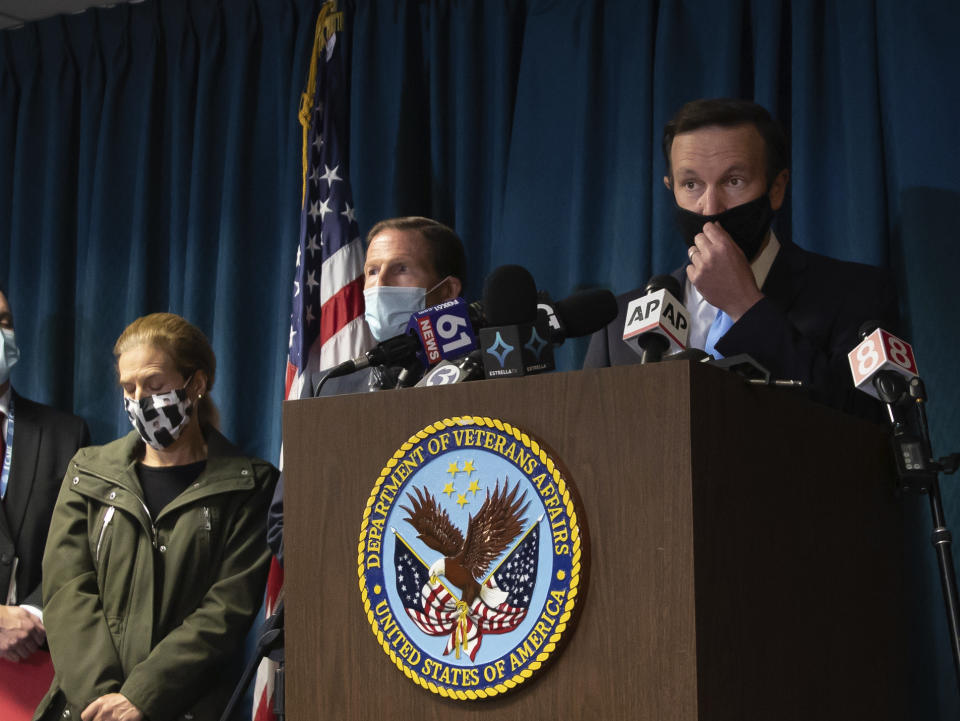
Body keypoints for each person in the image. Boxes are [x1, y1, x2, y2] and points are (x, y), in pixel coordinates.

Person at [584, 98, 898, 416]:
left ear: (776, 188)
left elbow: (863, 424)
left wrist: (745, 306)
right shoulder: (617, 322)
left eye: (734, 182)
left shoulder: (857, 295)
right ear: (671, 188)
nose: (710, 208)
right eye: (691, 184)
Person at [34, 313, 278, 721]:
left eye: (155, 385)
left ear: (196, 384)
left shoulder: (248, 485)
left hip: (182, 709)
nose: (139, 399)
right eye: (129, 387)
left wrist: (143, 698)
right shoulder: (88, 471)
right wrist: (103, 700)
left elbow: (225, 611)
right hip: (84, 710)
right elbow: (67, 589)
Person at [267, 215, 466, 565]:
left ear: (447, 290)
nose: (379, 285)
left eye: (400, 269)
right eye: (372, 272)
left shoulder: (480, 381)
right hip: (340, 590)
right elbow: (284, 524)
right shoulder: (329, 387)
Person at [0, 287, 89, 664]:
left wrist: (33, 616)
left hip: (37, 657)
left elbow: (83, 544)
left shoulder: (66, 434)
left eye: (4, 322)